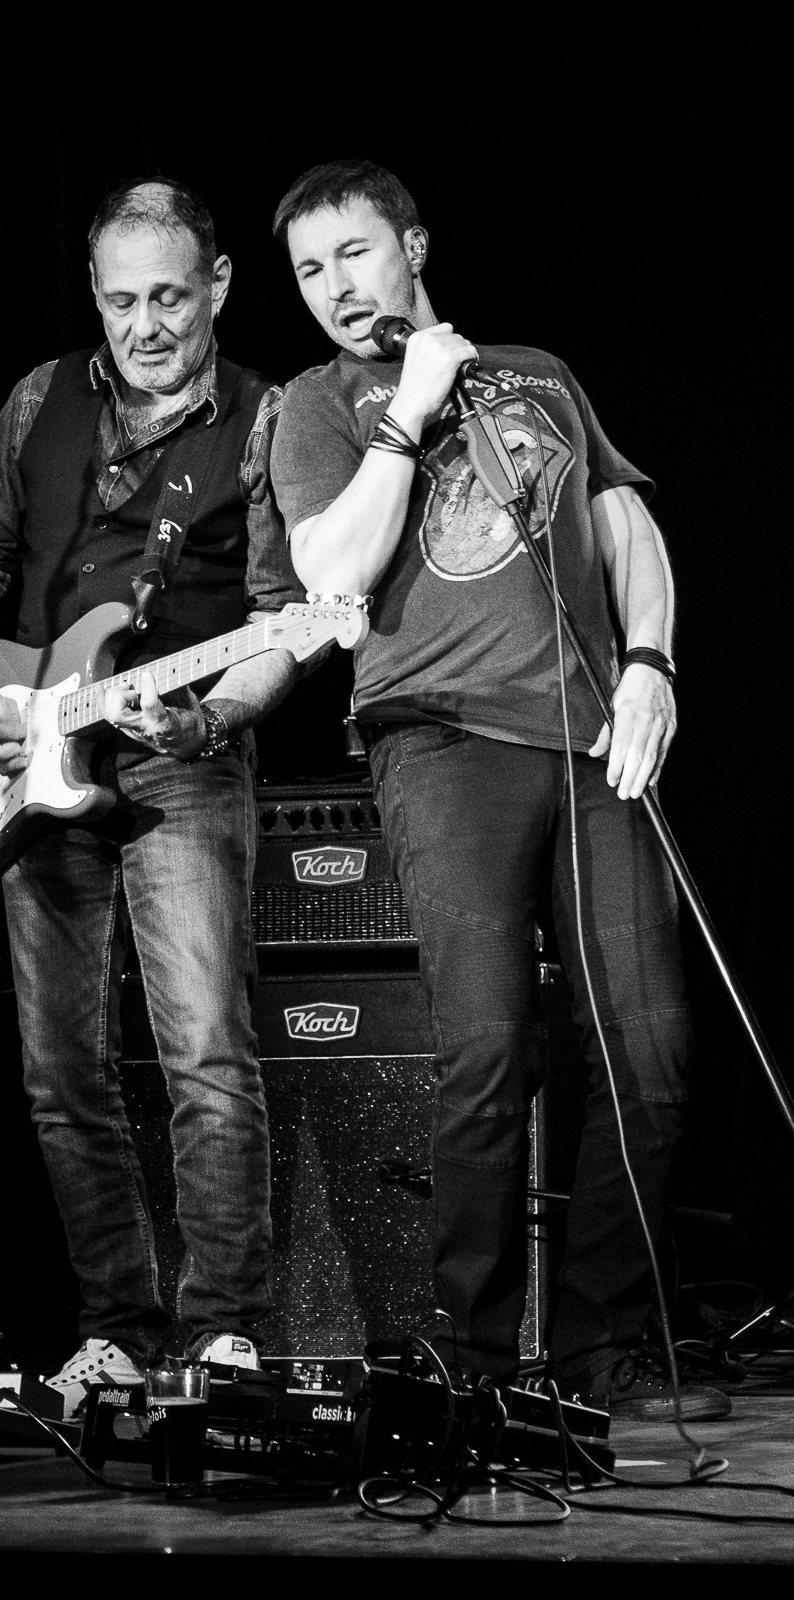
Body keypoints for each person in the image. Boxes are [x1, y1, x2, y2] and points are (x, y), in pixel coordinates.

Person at [269, 159, 729, 1420]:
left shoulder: (536, 371)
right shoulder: (314, 405)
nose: (332, 287)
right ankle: (468, 1370)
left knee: (651, 1048)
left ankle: (601, 1347)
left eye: (353, 252)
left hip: (587, 738)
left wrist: (650, 666)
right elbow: (330, 573)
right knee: (485, 1047)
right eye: (308, 270)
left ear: (411, 245)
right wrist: (404, 412)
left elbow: (623, 524)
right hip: (439, 742)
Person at [0, 178, 306, 1416]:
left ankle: (223, 1332)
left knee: (204, 1053)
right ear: (92, 292)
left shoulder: (262, 418)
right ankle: (116, 1332)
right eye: (120, 298)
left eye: (170, 297)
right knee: (60, 1074)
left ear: (218, 287)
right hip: (30, 759)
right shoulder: (38, 397)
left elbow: (277, 623)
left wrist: (211, 713)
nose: (145, 324)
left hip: (178, 755)